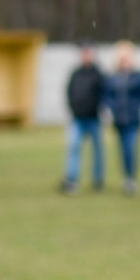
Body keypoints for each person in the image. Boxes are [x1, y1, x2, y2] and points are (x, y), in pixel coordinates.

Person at [103, 40, 140, 196]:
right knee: (123, 151)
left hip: (133, 119)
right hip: (119, 121)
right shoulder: (113, 77)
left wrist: (135, 106)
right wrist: (112, 108)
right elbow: (108, 96)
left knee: (131, 148)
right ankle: (127, 178)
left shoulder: (138, 76)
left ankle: (131, 178)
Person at [60, 42, 104, 194]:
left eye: (88, 53)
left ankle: (97, 180)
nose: (86, 56)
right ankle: (72, 179)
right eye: (83, 53)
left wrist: (99, 109)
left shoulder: (98, 74)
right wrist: (73, 108)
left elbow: (103, 94)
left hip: (94, 118)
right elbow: (69, 92)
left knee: (97, 150)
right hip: (78, 118)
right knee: (73, 148)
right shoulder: (76, 73)